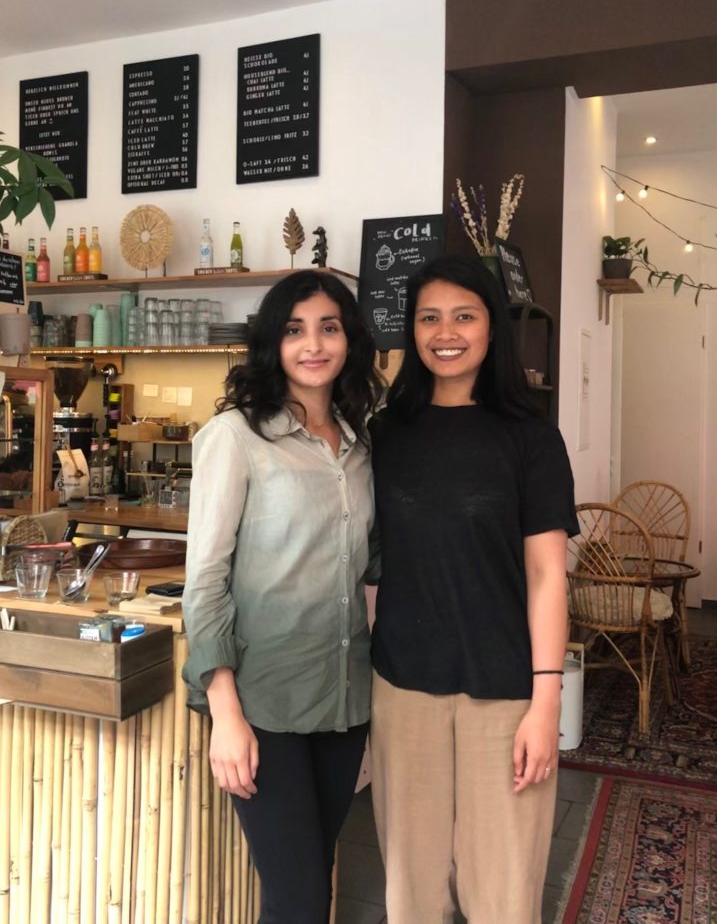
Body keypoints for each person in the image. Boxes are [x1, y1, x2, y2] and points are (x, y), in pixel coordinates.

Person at [369, 254, 578, 924]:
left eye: (464, 314)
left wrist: (547, 704)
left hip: (506, 692)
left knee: (504, 892)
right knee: (412, 890)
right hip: (404, 687)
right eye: (429, 317)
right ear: (411, 330)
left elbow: (548, 574)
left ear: (492, 328)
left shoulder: (531, 438)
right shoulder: (385, 435)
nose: (445, 331)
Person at [182, 270, 382, 924]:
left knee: (310, 886)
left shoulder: (360, 444)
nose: (313, 345)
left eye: (329, 327)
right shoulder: (235, 437)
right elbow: (205, 579)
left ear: (350, 339)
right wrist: (225, 713)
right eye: (295, 330)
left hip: (343, 699)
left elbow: (371, 565)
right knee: (296, 902)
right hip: (263, 704)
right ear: (274, 342)